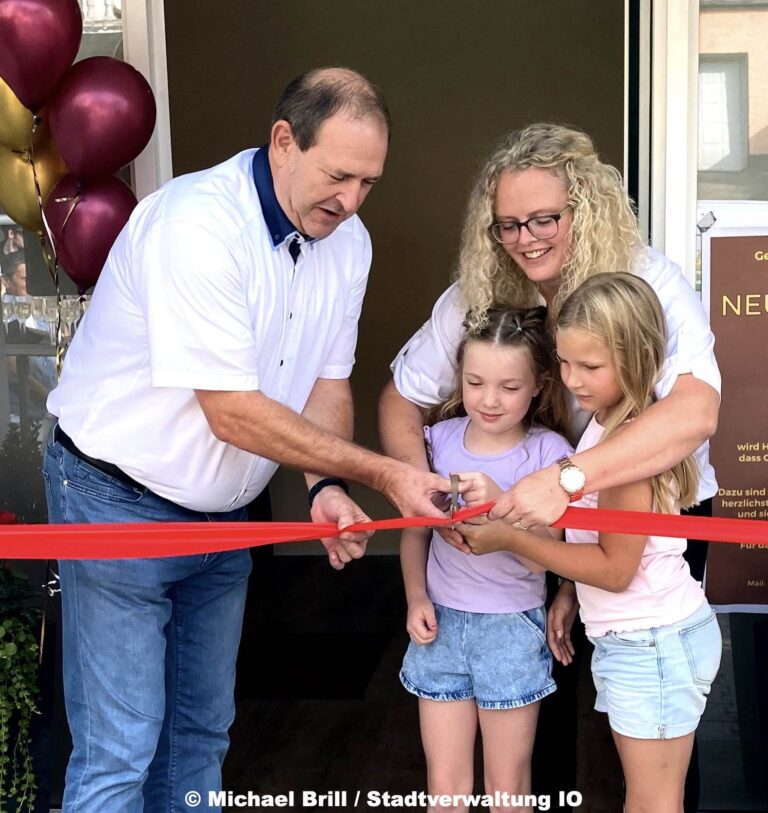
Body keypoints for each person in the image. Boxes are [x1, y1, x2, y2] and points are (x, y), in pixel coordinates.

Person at [44, 67, 450, 813]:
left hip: (226, 516)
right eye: (339, 175)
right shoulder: (197, 224)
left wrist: (325, 488)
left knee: (202, 732)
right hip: (116, 500)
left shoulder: (348, 241)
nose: (353, 200)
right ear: (284, 141)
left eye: (369, 181)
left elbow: (328, 380)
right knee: (122, 746)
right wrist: (386, 475)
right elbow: (231, 411)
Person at [378, 123, 720, 810]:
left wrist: (565, 480)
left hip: (630, 531)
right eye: (507, 224)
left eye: (543, 218)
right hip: (542, 541)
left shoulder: (646, 282)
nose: (525, 238)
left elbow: (694, 413)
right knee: (550, 712)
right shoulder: (479, 290)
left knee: (636, 748)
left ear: (584, 210)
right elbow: (399, 399)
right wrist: (425, 488)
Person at [459, 273, 723, 813]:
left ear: (638, 354)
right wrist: (569, 594)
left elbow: (616, 569)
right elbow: (612, 544)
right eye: (564, 362)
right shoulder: (606, 426)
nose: (573, 380)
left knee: (652, 805)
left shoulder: (626, 448)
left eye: (591, 367)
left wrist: (510, 540)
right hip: (642, 638)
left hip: (651, 642)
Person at [399, 306, 572, 812]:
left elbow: (556, 553)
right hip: (441, 627)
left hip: (512, 631)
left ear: (540, 385)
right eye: (475, 382)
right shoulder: (437, 441)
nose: (489, 400)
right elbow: (416, 530)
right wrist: (414, 598)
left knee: (508, 789)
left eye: (509, 387)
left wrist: (504, 503)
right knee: (445, 789)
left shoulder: (549, 456)